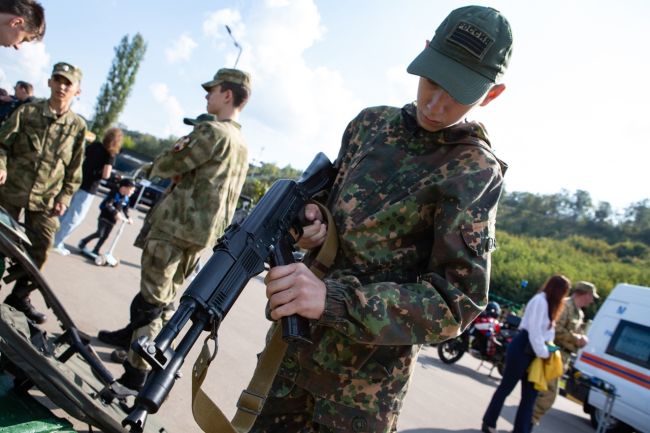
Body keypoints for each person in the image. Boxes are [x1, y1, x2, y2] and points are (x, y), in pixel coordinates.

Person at [249, 6, 513, 433]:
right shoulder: (369, 125)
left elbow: (456, 302)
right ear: (424, 54)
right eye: (432, 79)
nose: (435, 102)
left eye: (458, 93)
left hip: (360, 395)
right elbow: (324, 201)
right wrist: (311, 218)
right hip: (293, 355)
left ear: (492, 94)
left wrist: (334, 301)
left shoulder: (474, 171)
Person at [97, 69, 251, 390]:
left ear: (228, 95)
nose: (207, 96)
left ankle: (135, 376)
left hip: (175, 227)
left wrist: (144, 170)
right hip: (198, 235)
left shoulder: (213, 133)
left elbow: (170, 164)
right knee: (164, 298)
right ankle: (133, 344)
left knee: (154, 303)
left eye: (213, 90)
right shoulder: (241, 143)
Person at [0, 61, 86, 324]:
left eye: (67, 83)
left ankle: (19, 296)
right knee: (0, 243)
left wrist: (65, 197)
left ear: (77, 91)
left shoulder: (77, 127)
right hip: (12, 190)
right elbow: (2, 143)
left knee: (42, 246)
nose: (61, 86)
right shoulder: (27, 112)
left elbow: (74, 170)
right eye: (57, 80)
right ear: (49, 82)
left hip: (46, 200)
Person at [482, 275, 572, 433]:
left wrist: (548, 350)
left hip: (536, 352)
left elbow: (548, 333)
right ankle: (489, 423)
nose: (565, 297)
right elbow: (535, 331)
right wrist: (545, 353)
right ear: (558, 291)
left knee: (530, 397)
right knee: (506, 388)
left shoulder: (552, 305)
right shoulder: (540, 301)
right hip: (523, 347)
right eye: (564, 292)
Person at [532, 280, 598, 426]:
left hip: (563, 357)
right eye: (591, 296)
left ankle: (525, 424)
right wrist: (576, 338)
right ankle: (527, 424)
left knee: (544, 394)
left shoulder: (579, 313)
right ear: (585, 294)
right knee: (547, 395)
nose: (592, 300)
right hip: (554, 352)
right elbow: (555, 330)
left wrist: (580, 340)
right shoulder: (566, 306)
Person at [52, 127, 123, 255]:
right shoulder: (110, 154)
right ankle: (57, 242)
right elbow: (106, 175)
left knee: (63, 211)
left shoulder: (95, 145)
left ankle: (50, 238)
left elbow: (80, 159)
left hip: (76, 181)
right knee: (75, 217)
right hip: (89, 188)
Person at [77, 177, 134, 257]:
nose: (132, 192)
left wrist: (129, 217)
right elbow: (108, 204)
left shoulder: (126, 199)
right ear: (124, 188)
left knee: (105, 236)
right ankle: (83, 242)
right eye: (131, 189)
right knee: (100, 233)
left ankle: (96, 250)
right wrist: (115, 213)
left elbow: (125, 209)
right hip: (104, 216)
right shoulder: (114, 193)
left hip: (113, 220)